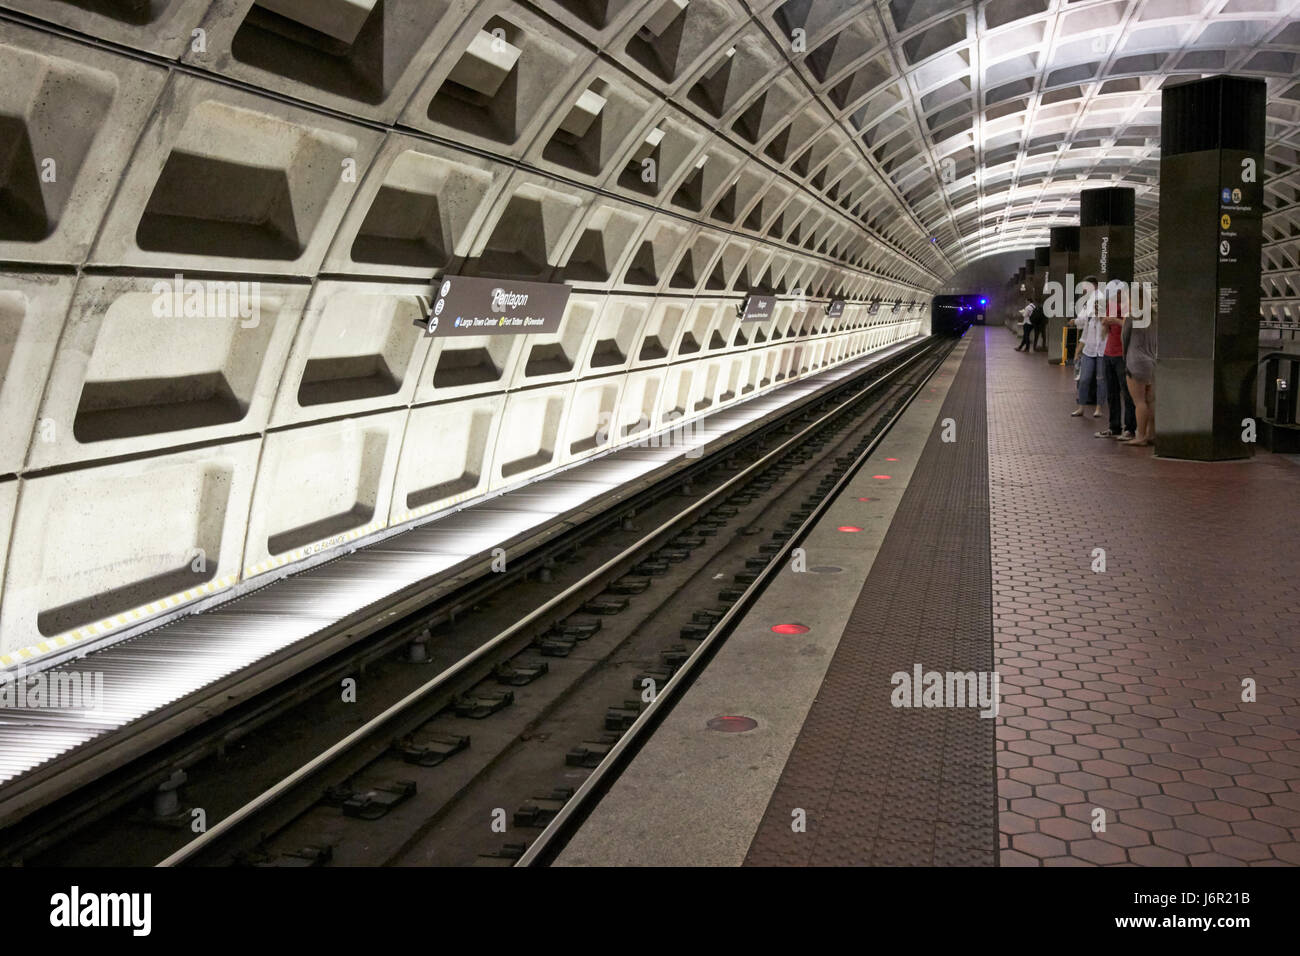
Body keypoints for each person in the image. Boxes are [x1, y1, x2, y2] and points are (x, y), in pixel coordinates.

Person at [1095, 281, 1137, 440]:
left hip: (1122, 354)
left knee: (1127, 392)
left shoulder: (1129, 306)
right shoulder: (1111, 305)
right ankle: (1114, 426)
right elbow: (1106, 328)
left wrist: (1116, 321)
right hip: (1109, 352)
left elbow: (1131, 326)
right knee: (1112, 392)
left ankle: (1130, 428)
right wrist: (1104, 320)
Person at [1122, 308, 1157, 447]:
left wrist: (1125, 357)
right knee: (1150, 400)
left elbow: (1124, 338)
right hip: (1151, 361)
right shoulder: (1155, 318)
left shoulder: (1131, 317)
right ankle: (1151, 433)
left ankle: (1140, 435)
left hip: (1135, 362)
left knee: (1139, 401)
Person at [1071, 275, 1104, 418]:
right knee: (1084, 378)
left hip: (1102, 349)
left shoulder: (1099, 297)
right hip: (1089, 349)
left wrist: (1078, 321)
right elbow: (1085, 323)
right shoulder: (1089, 300)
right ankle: (1081, 407)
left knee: (1100, 380)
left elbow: (1086, 318)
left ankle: (1098, 408)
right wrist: (1079, 349)